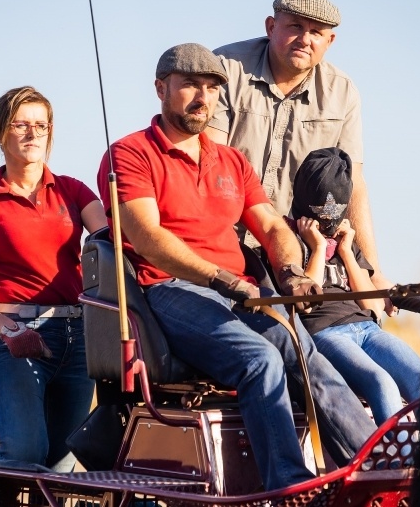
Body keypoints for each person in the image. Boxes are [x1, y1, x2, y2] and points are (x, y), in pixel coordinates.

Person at [96, 43, 376, 491]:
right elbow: (149, 238)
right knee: (260, 359)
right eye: (189, 85)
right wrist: (220, 278)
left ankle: (371, 469)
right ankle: (289, 486)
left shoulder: (230, 160)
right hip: (173, 289)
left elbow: (270, 225)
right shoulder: (130, 154)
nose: (202, 97)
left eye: (210, 87)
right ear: (161, 89)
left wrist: (291, 274)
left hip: (239, 290)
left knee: (307, 356)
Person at [205, 0, 397, 315]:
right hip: (225, 241)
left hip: (296, 251)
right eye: (295, 26)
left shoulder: (342, 92)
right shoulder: (226, 69)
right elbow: (206, 162)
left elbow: (354, 185)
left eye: (316, 33)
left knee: (335, 336)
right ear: (270, 27)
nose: (305, 39)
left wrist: (373, 271)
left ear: (330, 42)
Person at [0, 86, 107, 469]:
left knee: (62, 465)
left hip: (80, 340)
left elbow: (111, 247)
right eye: (20, 124)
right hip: (17, 336)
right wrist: (9, 331)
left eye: (41, 125)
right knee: (24, 456)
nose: (32, 134)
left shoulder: (74, 191)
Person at [290, 147, 420, 425]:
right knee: (381, 382)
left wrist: (347, 252)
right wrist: (317, 248)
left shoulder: (347, 243)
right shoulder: (291, 241)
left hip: (365, 328)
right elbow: (306, 299)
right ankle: (393, 462)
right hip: (326, 333)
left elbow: (372, 306)